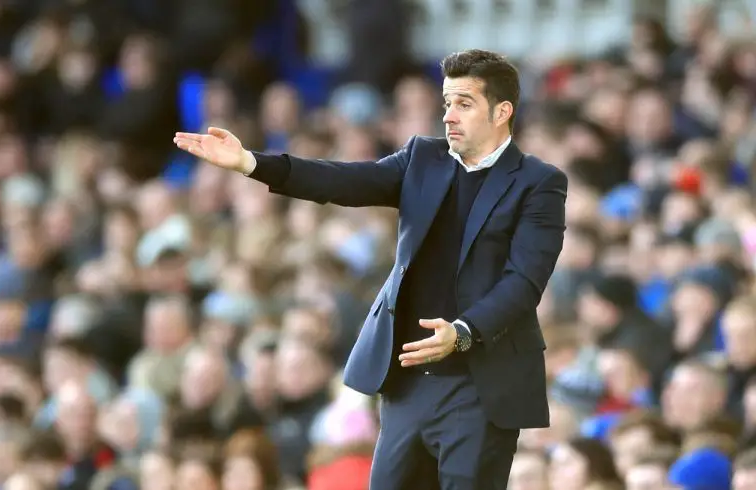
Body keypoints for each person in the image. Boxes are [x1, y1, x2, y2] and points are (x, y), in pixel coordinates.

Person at [174, 49, 568, 490]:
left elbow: (524, 281)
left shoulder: (539, 182)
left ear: (502, 111)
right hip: (407, 380)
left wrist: (462, 331)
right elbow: (343, 180)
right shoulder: (422, 158)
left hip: (480, 382)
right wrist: (251, 163)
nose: (449, 116)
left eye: (464, 103)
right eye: (446, 103)